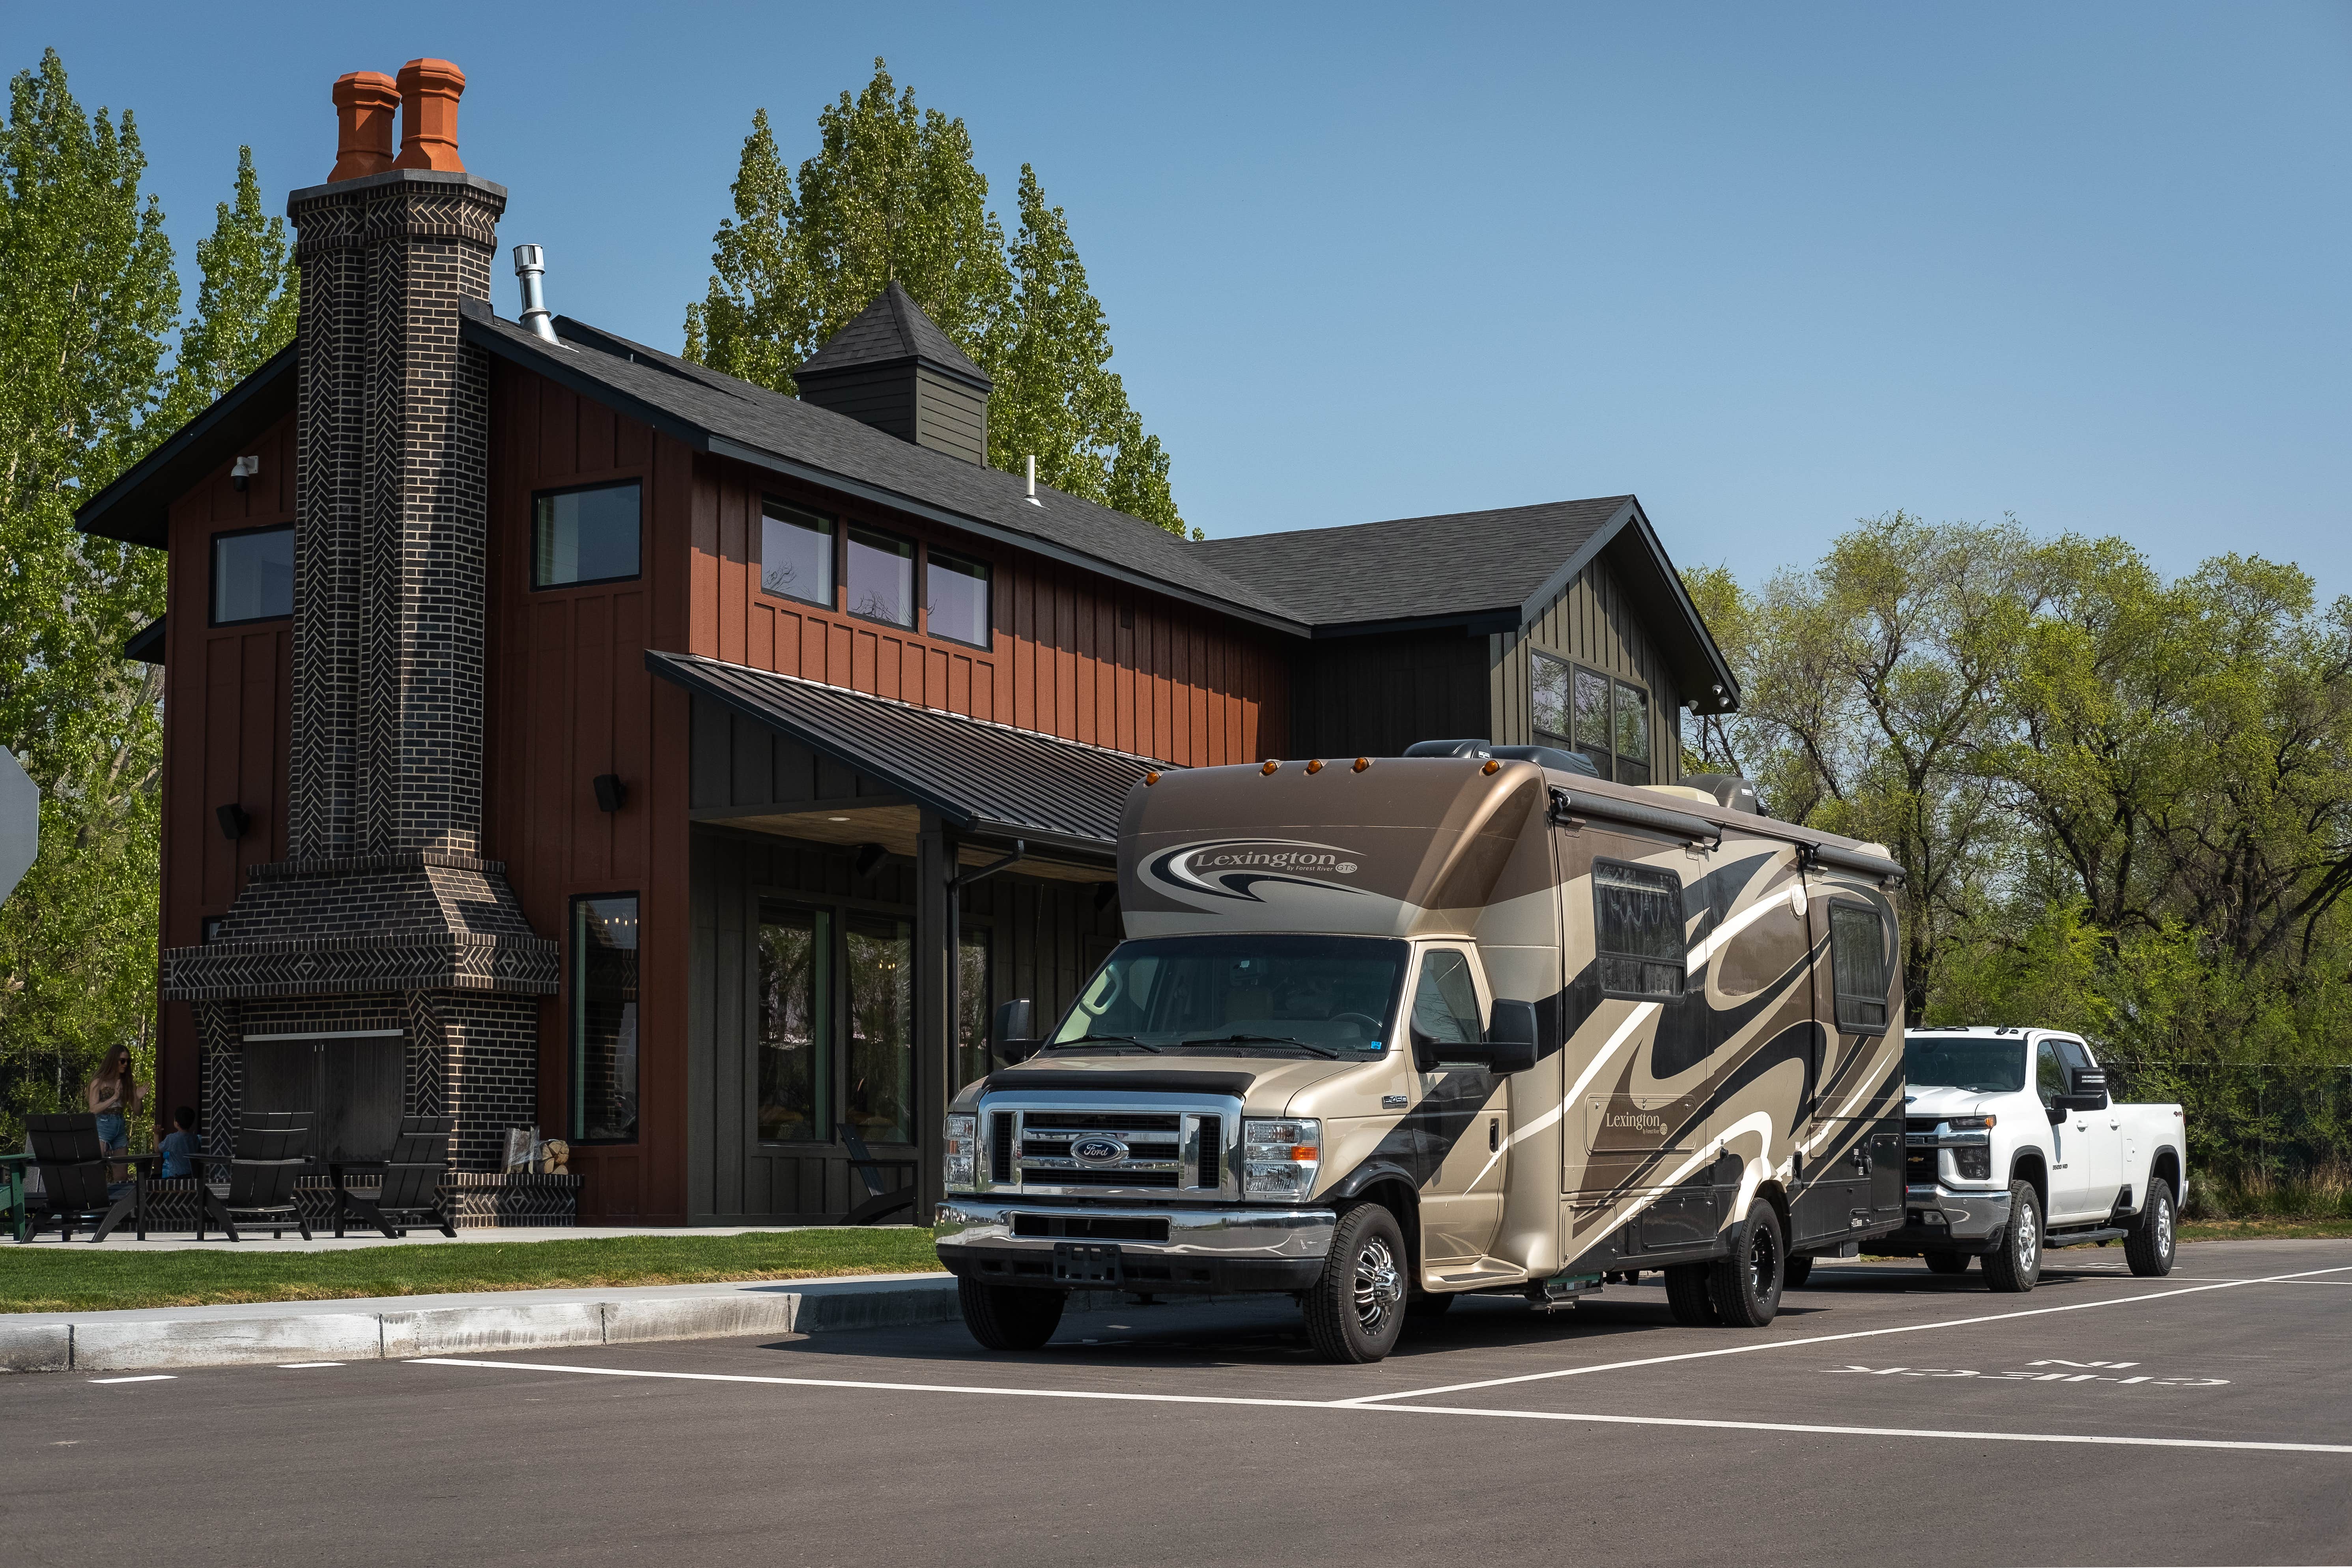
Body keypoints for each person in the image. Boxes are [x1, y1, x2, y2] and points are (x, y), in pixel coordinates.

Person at [85, 1044, 145, 1177]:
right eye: (122, 1061)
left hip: (119, 1126)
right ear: (113, 1061)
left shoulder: (128, 1082)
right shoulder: (99, 1082)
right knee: (96, 1170)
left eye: (128, 1061)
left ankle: (117, 1199)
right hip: (102, 1126)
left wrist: (139, 1099)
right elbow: (93, 1109)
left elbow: (138, 1112)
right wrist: (114, 1098)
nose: (125, 1064)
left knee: (122, 1175)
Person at [157, 1106, 198, 1179]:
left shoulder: (172, 1138)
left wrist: (156, 1134)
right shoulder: (195, 1138)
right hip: (191, 1176)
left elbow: (157, 1149)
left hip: (175, 1177)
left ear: (177, 1124)